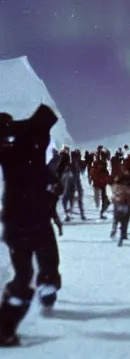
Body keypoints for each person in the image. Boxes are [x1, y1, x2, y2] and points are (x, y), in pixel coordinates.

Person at [0, 105, 62, 347]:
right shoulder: (30, 147)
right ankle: (45, 289)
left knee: (24, 275)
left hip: (18, 221)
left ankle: (6, 326)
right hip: (32, 219)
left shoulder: (12, 151)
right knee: (44, 262)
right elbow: (44, 119)